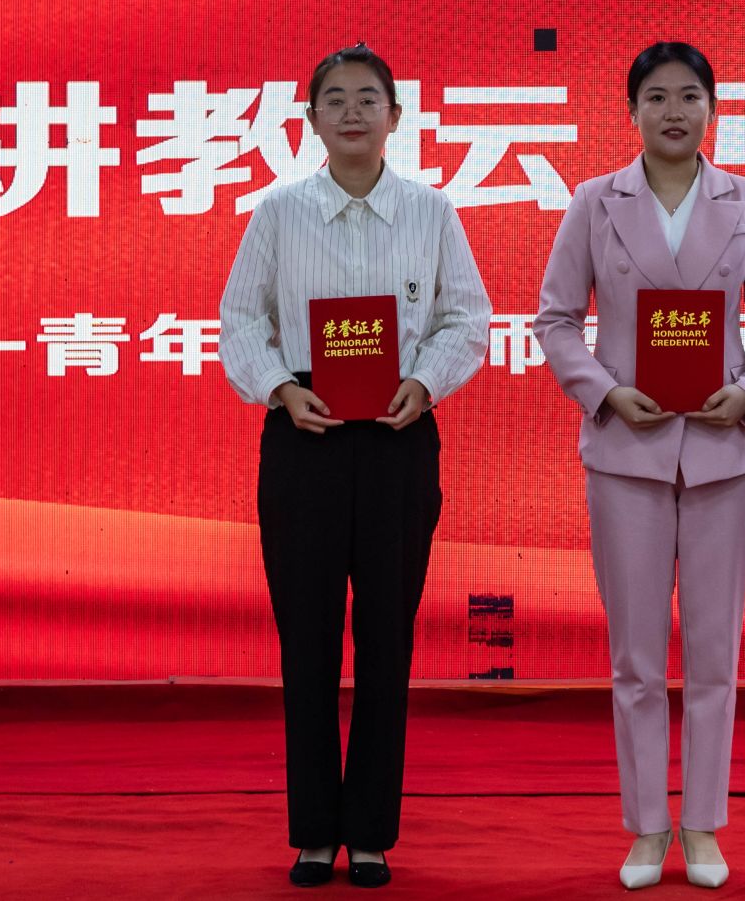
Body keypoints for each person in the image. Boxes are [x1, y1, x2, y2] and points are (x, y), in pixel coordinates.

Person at [219, 43, 492, 890]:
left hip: (398, 432)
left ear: (394, 117)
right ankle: (313, 830)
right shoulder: (278, 213)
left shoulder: (431, 211)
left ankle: (369, 831)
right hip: (304, 432)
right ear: (310, 119)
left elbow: (467, 317)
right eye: (333, 99)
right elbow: (239, 320)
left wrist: (426, 379)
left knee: (386, 636)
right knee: (306, 637)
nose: (350, 112)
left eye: (367, 98)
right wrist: (278, 388)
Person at [535, 41, 745, 891]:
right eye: (656, 97)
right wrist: (606, 392)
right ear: (632, 110)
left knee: (714, 651)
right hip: (628, 451)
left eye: (690, 96)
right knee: (636, 657)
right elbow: (554, 320)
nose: (674, 111)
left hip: (724, 450)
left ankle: (703, 823)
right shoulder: (594, 200)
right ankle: (648, 826)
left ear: (712, 109)